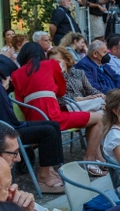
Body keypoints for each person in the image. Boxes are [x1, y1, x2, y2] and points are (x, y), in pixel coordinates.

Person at [0, 47, 65, 192]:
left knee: (52, 125)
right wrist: (3, 89)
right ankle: (44, 178)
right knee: (48, 130)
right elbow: (8, 119)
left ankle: (49, 169)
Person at [12, 42, 106, 172]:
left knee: (94, 118)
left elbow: (19, 100)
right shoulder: (51, 64)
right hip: (53, 115)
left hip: (32, 119)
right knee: (99, 118)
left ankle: (95, 158)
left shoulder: (16, 74)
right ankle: (89, 160)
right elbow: (61, 91)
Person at [48, 46, 107, 113]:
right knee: (100, 102)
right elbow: (54, 98)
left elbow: (90, 90)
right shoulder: (50, 77)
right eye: (51, 62)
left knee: (102, 109)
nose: (53, 64)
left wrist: (100, 95)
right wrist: (76, 99)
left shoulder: (78, 73)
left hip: (84, 104)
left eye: (57, 61)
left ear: (66, 60)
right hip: (66, 106)